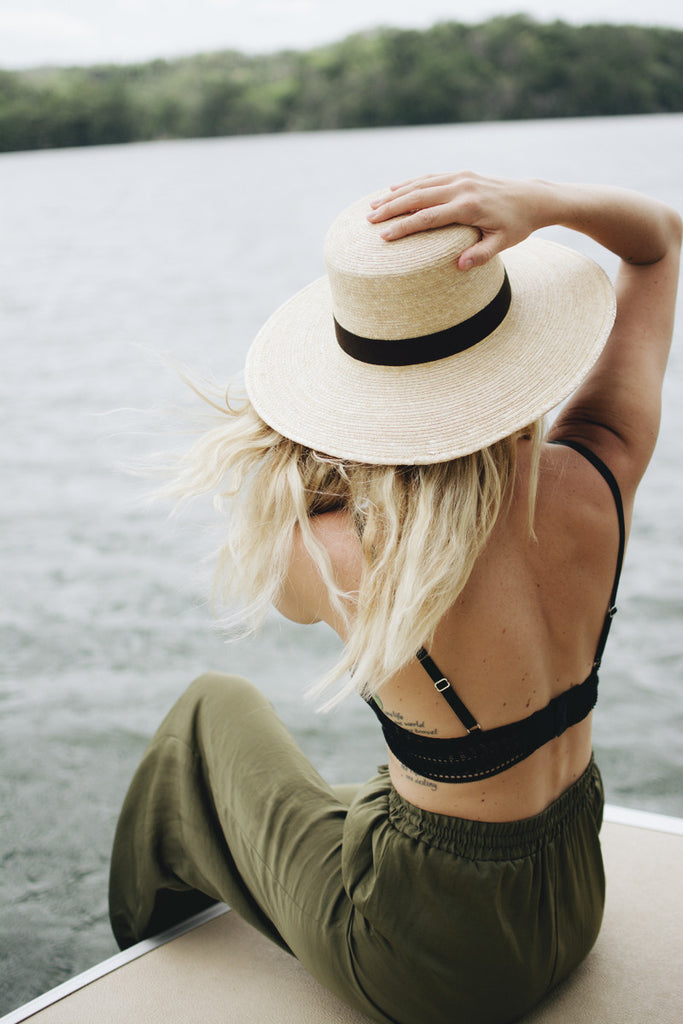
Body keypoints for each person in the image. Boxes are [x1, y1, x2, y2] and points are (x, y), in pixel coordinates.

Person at [109, 172, 681, 1024]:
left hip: (430, 958)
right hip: (570, 899)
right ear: (518, 347)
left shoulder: (338, 552)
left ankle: (146, 947)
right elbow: (660, 240)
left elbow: (289, 596)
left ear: (359, 390)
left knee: (207, 714)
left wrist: (327, 442)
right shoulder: (599, 474)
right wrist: (542, 206)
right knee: (369, 796)